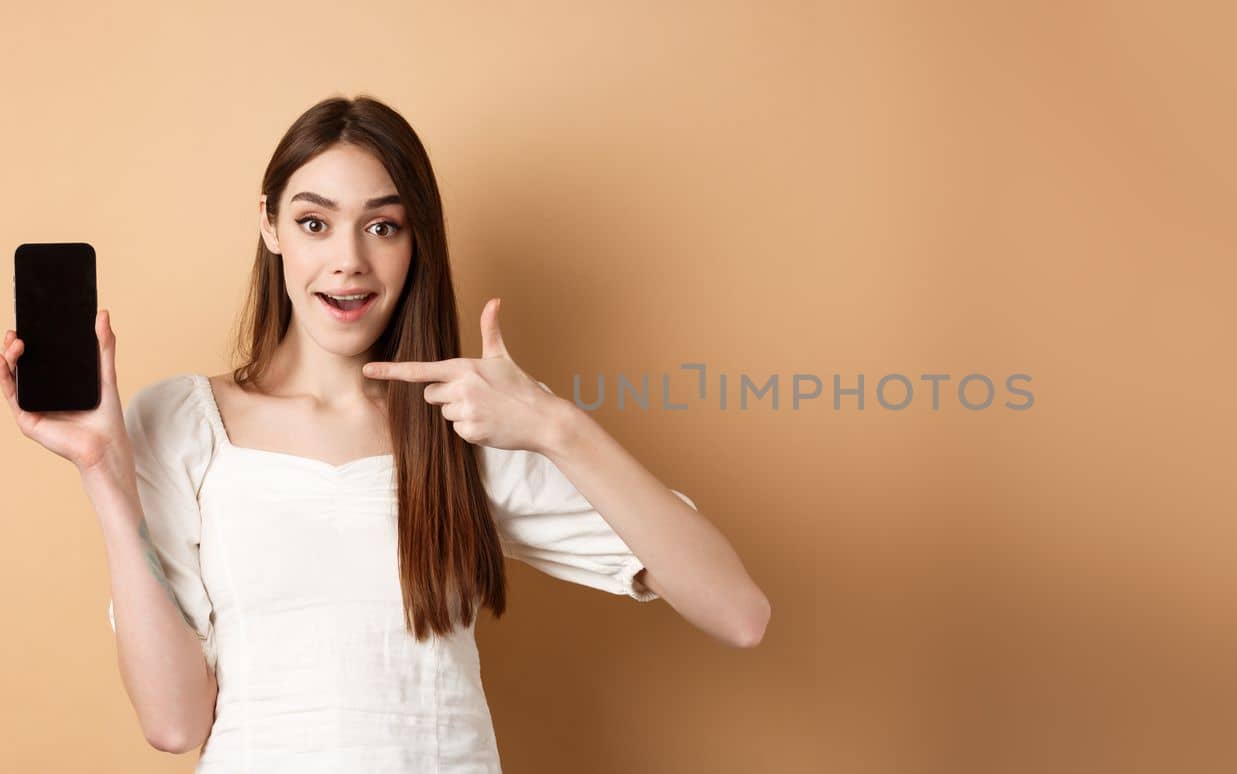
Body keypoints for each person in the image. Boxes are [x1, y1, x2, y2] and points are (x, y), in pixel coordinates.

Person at [0, 94, 770, 772]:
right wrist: (104, 471)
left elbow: (738, 612)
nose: (349, 262)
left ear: (416, 241)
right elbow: (174, 724)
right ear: (270, 227)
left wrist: (555, 425)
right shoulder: (179, 421)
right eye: (314, 222)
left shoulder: (466, 422)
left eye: (383, 225)